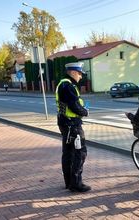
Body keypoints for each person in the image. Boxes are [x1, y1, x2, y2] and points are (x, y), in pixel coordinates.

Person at [55, 62, 91, 193]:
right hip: (72, 125)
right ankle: (76, 183)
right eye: (80, 74)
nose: (81, 77)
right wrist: (85, 112)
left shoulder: (63, 84)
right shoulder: (68, 86)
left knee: (68, 153)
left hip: (65, 123)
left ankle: (69, 182)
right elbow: (73, 105)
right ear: (74, 72)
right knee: (80, 153)